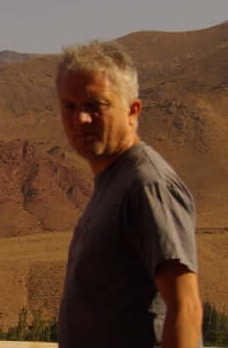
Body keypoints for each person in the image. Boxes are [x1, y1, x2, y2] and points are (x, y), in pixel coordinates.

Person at [55, 41, 202, 348]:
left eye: (95, 105)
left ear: (133, 111)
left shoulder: (147, 185)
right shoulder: (114, 182)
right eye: (70, 106)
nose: (80, 119)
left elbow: (185, 306)